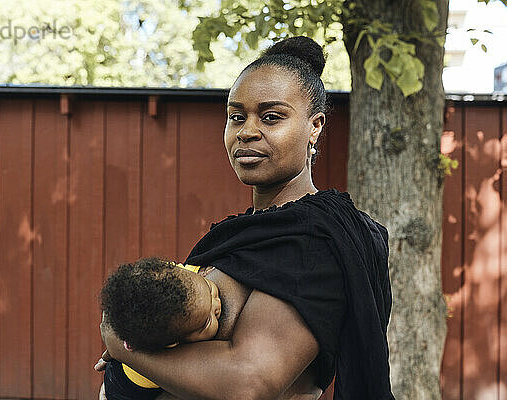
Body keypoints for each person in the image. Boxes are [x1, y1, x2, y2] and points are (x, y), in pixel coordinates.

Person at [96, 35, 395, 400]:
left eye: (271, 117)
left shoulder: (315, 240)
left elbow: (248, 382)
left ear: (314, 126)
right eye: (236, 117)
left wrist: (123, 346)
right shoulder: (239, 235)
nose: (247, 131)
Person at [100, 258, 221, 400]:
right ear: (173, 344)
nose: (217, 304)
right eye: (207, 321)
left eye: (209, 288)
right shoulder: (167, 364)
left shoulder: (184, 280)